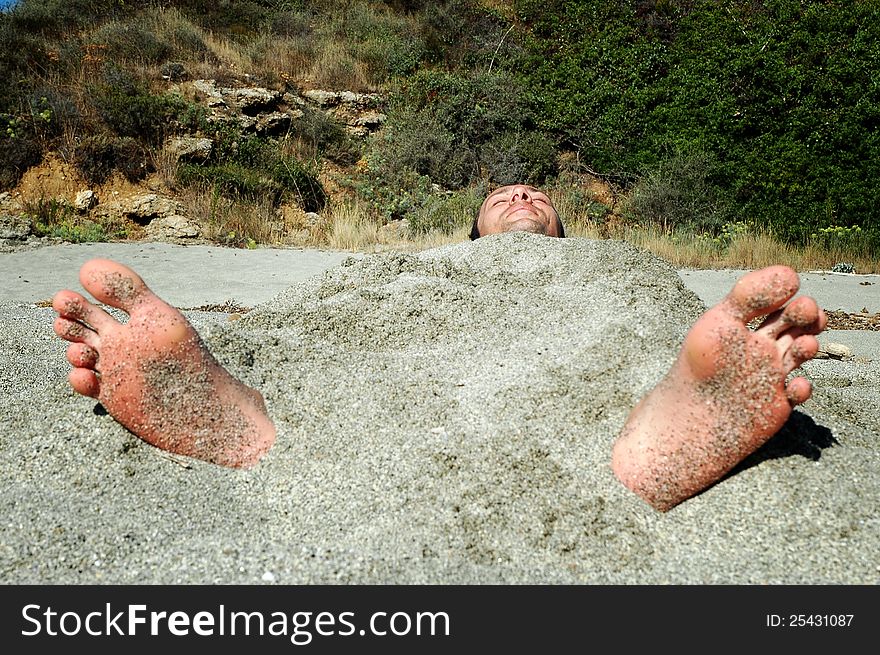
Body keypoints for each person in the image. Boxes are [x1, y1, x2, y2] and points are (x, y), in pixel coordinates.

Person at [51, 184, 826, 511]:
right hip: (404, 352)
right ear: (473, 227)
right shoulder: (408, 267)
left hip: (601, 331)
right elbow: (307, 323)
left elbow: (673, 316)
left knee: (678, 340)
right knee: (324, 346)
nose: (523, 197)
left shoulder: (625, 267)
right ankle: (238, 418)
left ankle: (667, 423)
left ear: (563, 226)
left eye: (538, 195)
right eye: (503, 195)